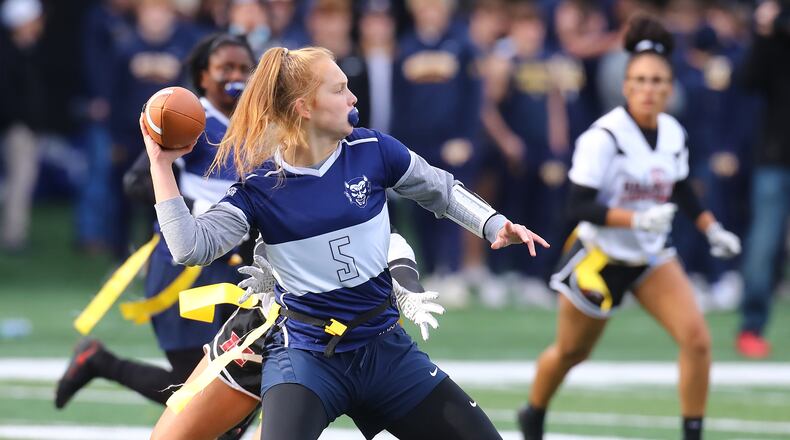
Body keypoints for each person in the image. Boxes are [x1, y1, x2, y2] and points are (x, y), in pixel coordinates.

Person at [145, 45, 548, 440]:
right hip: (306, 356)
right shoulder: (260, 187)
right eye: (339, 89)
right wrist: (160, 165)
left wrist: (494, 224)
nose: (353, 97)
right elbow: (189, 247)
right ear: (304, 107)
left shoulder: (373, 149)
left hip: (384, 349)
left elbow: (439, 189)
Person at [517, 15, 741, 440]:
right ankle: (533, 412)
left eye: (658, 80)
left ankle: (693, 433)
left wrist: (711, 228)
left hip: (650, 255)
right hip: (600, 257)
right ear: (625, 85)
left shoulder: (673, 131)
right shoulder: (603, 137)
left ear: (670, 86)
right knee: (571, 352)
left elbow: (680, 189)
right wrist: (634, 217)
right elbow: (576, 207)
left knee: (697, 339)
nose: (648, 89)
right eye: (639, 79)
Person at [54, 35, 257, 433]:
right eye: (225, 68)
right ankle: (100, 361)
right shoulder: (190, 117)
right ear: (203, 75)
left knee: (237, 392)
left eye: (243, 68)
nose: (235, 77)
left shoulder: (254, 125)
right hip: (187, 272)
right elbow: (135, 180)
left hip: (235, 272)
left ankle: (99, 361)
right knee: (204, 390)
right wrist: (197, 210)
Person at [736, 0, 790, 358]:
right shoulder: (775, 42)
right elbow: (745, 81)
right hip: (777, 156)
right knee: (763, 243)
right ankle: (751, 326)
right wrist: (764, 33)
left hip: (775, 157)